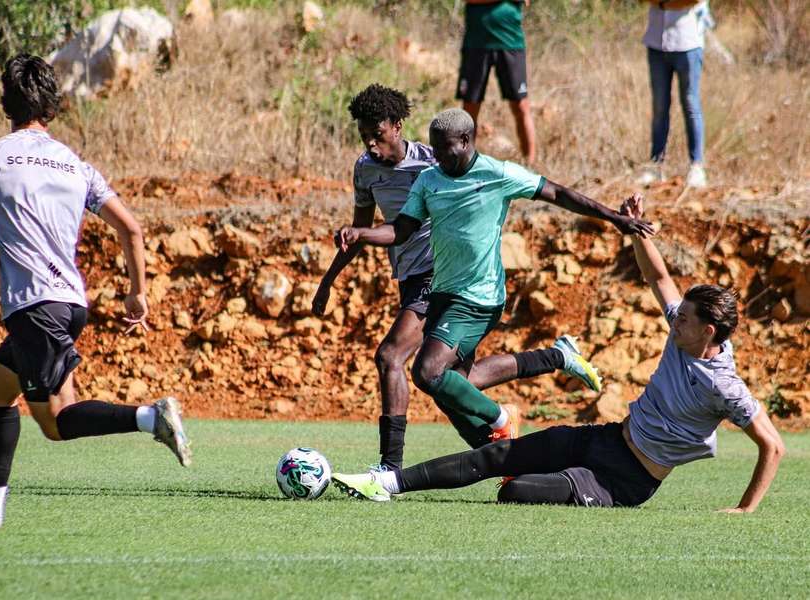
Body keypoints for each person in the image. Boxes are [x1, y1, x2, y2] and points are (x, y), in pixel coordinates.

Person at [332, 194, 785, 511]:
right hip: (606, 438)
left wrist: (745, 509)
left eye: (683, 318)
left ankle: (552, 473)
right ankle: (386, 483)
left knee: (515, 493)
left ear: (709, 332)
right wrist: (634, 229)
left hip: (624, 480)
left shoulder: (724, 384)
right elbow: (660, 280)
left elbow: (773, 446)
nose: (674, 319)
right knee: (496, 456)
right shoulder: (685, 330)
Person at [0, 54, 192, 532]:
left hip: (34, 307)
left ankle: (148, 417)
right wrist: (138, 292)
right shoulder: (77, 166)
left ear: (6, 104)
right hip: (70, 303)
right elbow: (131, 230)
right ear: (52, 107)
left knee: (58, 419)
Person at [334, 108, 654, 455]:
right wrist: (361, 233)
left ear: (466, 141)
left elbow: (558, 194)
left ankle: (499, 419)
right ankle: (508, 454)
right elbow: (401, 231)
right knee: (454, 387)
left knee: (427, 372)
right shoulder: (429, 180)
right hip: (444, 293)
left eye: (444, 149)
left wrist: (612, 217)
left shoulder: (498, 173)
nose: (437, 157)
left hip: (479, 297)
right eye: (434, 149)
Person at [312, 84, 437, 472]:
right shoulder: (365, 170)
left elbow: (398, 229)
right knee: (453, 378)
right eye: (364, 135)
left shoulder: (431, 164)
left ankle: (389, 468)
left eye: (377, 134)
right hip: (409, 279)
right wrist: (327, 281)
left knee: (390, 356)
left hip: (439, 274)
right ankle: (551, 360)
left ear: (397, 126)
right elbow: (360, 229)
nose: (369, 144)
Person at [636, 0, 712, 188]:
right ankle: (656, 165)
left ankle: (696, 166)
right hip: (656, 41)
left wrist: (664, 3)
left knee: (690, 103)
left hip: (687, 42)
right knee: (659, 106)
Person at [457, 0, 535, 163]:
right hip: (476, 44)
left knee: (521, 106)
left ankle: (531, 164)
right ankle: (464, 164)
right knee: (470, 107)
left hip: (511, 42)